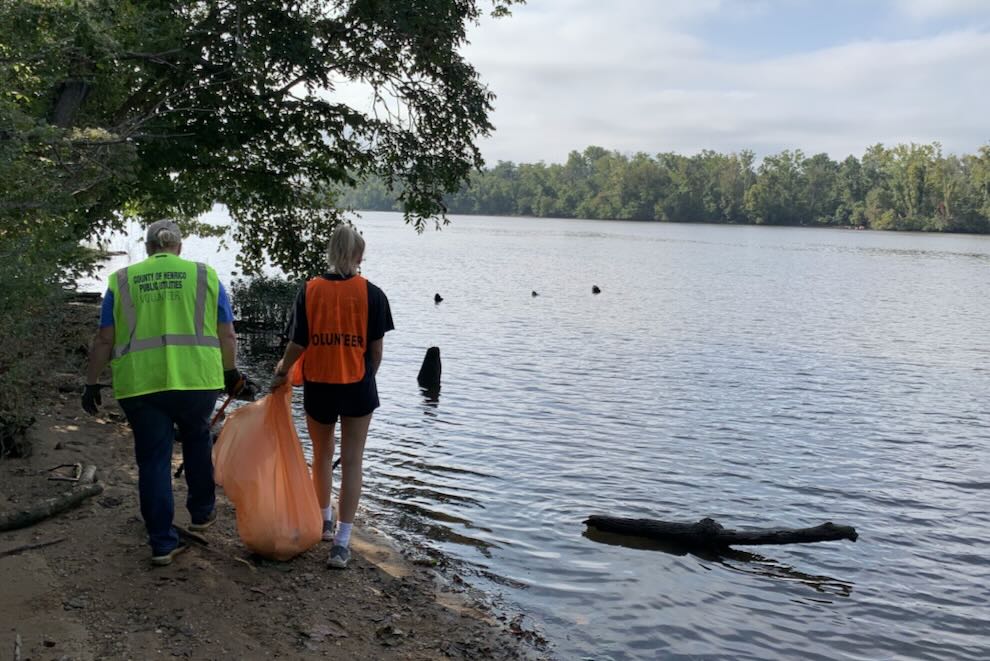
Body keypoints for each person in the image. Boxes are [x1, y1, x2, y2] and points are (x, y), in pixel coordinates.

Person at [82, 219, 248, 566]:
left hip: (142, 384)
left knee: (153, 459)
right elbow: (227, 333)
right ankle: (202, 514)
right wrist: (231, 371)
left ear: (147, 248)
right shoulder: (205, 276)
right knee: (198, 439)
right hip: (197, 380)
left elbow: (104, 338)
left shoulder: (122, 280)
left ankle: (161, 543)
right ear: (180, 247)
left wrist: (92, 381)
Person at [271, 224, 393, 569]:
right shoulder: (373, 294)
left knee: (322, 455)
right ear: (358, 256)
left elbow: (298, 343)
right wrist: (367, 379)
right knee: (353, 460)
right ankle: (341, 542)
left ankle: (322, 522)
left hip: (319, 384)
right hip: (358, 385)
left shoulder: (310, 290)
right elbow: (376, 352)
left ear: (330, 251)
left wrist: (282, 372)